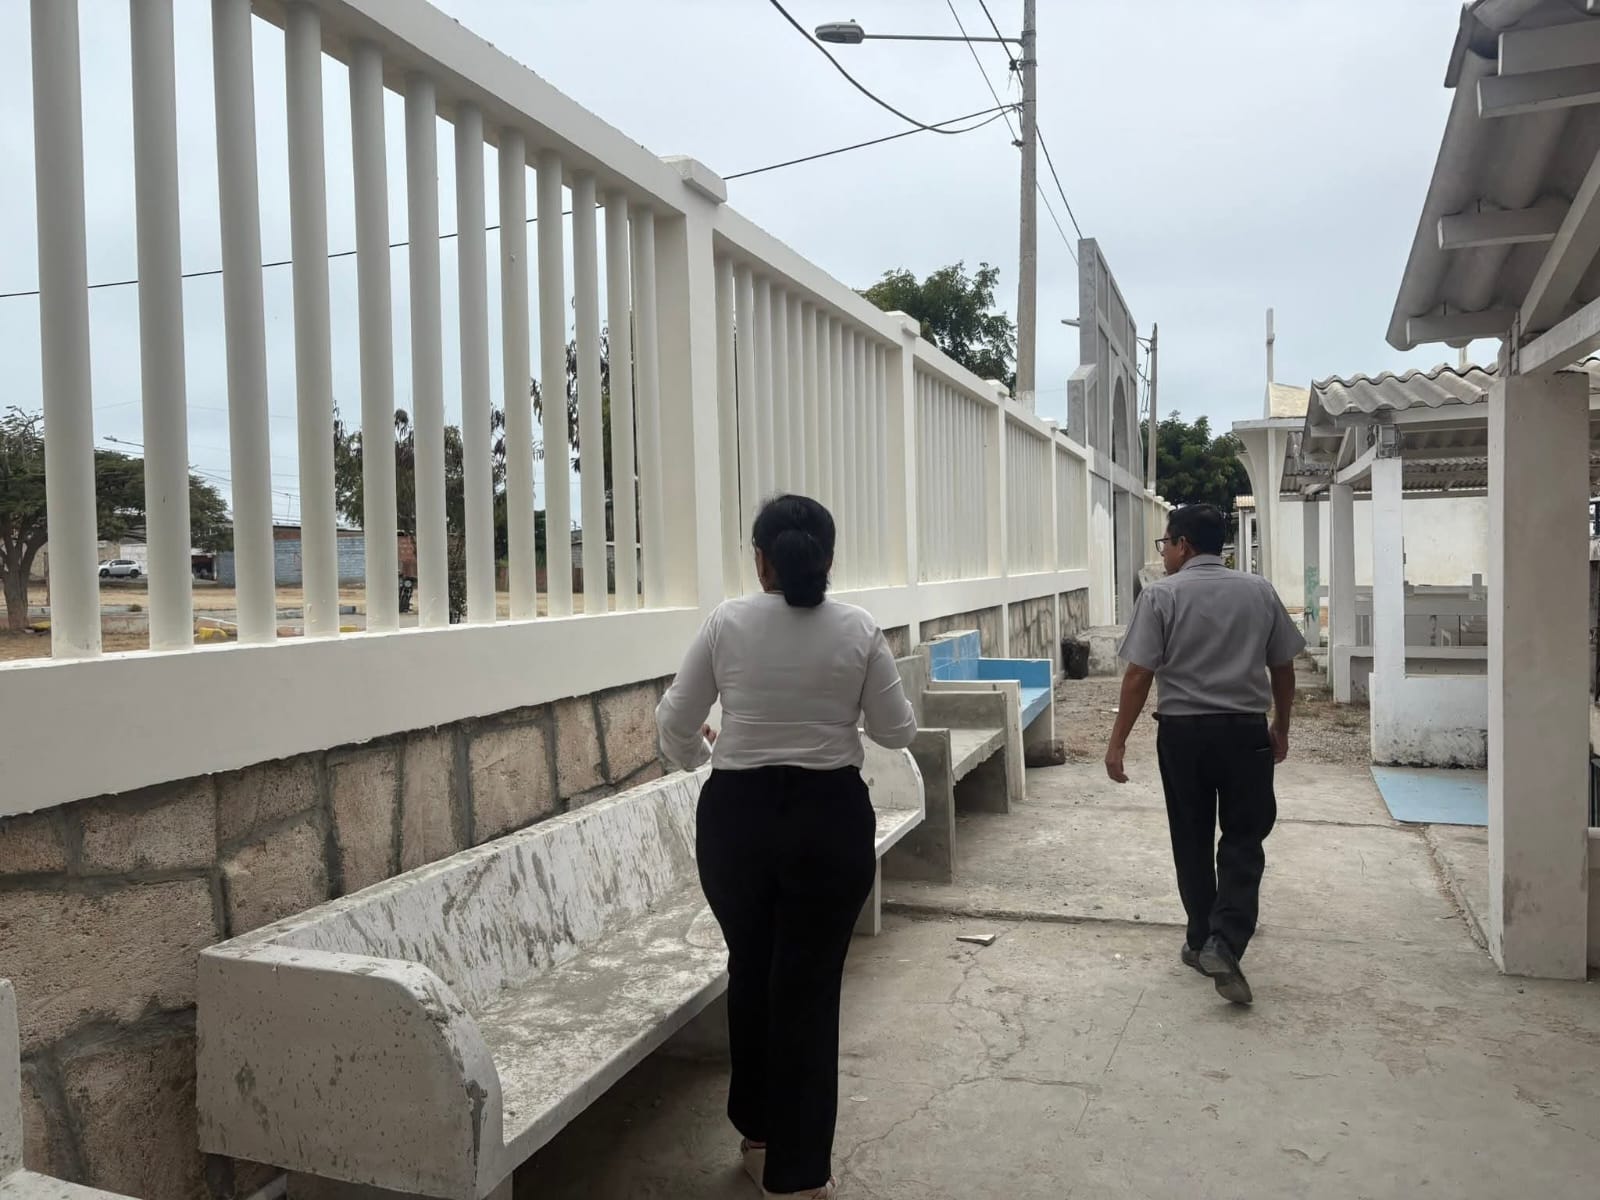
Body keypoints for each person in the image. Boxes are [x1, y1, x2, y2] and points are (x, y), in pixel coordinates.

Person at [656, 494, 918, 1199]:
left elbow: (675, 722)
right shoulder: (859, 629)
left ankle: (759, 1136)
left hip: (736, 819)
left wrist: (701, 755)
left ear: (761, 560)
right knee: (807, 986)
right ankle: (798, 1177)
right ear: (827, 559)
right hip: (829, 820)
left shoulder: (726, 623)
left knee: (751, 967)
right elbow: (896, 731)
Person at [1103, 503, 1304, 1006]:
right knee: (1244, 837)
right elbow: (1283, 668)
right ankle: (1224, 941)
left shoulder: (1161, 595)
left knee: (1190, 836)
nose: (1164, 554)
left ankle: (1200, 940)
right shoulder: (1259, 591)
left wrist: (1118, 741)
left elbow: (1138, 674)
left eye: (1166, 543)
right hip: (1245, 733)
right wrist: (1281, 726)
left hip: (1184, 735)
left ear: (1184, 545)